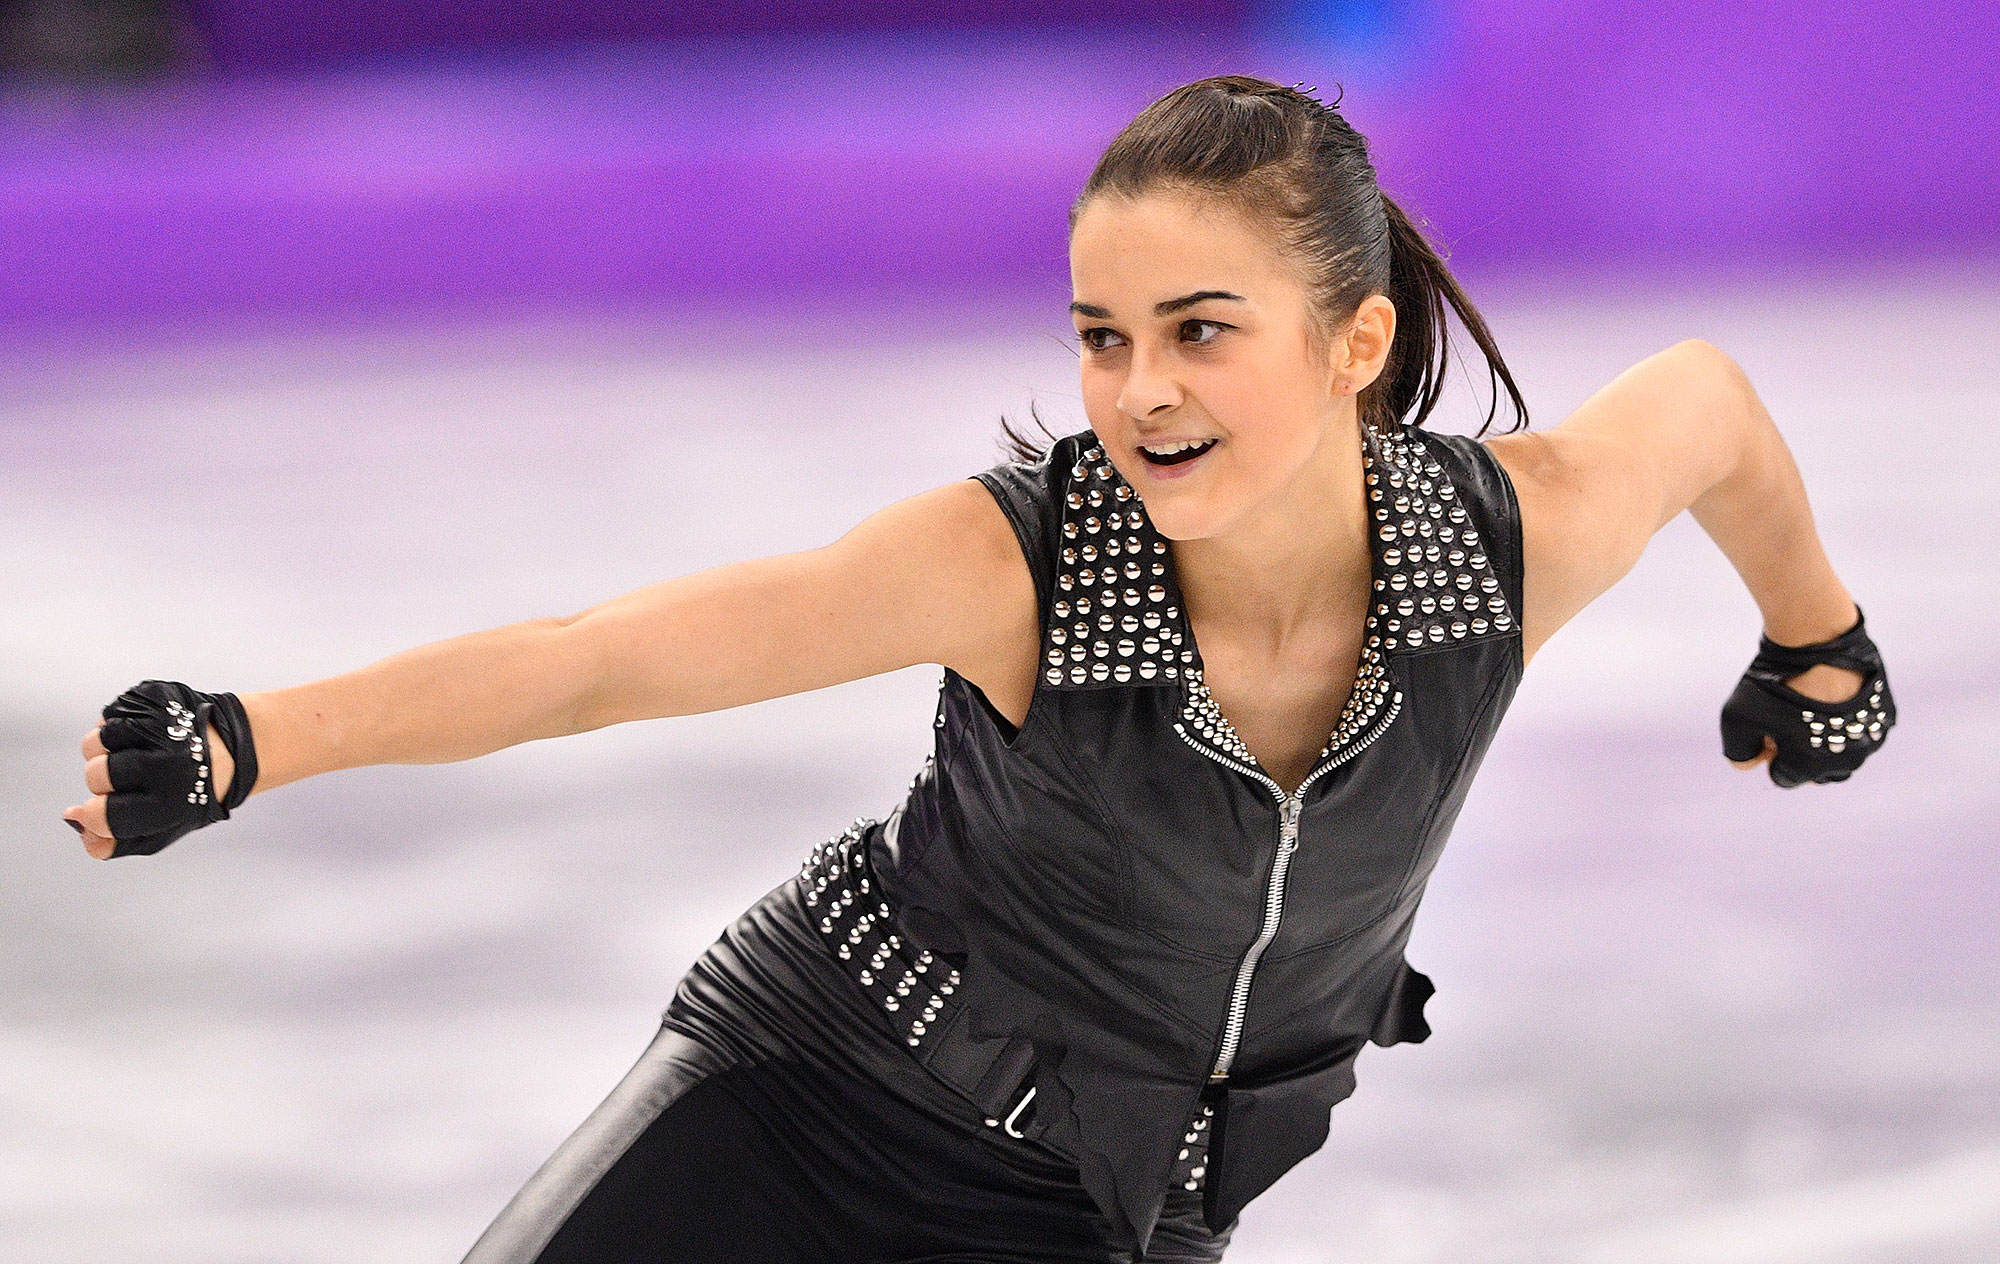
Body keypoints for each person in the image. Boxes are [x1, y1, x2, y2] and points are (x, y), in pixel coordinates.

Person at [60, 75, 1896, 1262]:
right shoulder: (1019, 561)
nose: (1141, 390)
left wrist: (1817, 639)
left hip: (1118, 1207)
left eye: (1200, 332)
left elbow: (1710, 411)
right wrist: (249, 738)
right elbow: (598, 660)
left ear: (1355, 343)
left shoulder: (1493, 556)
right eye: (1103, 336)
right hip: (806, 1101)